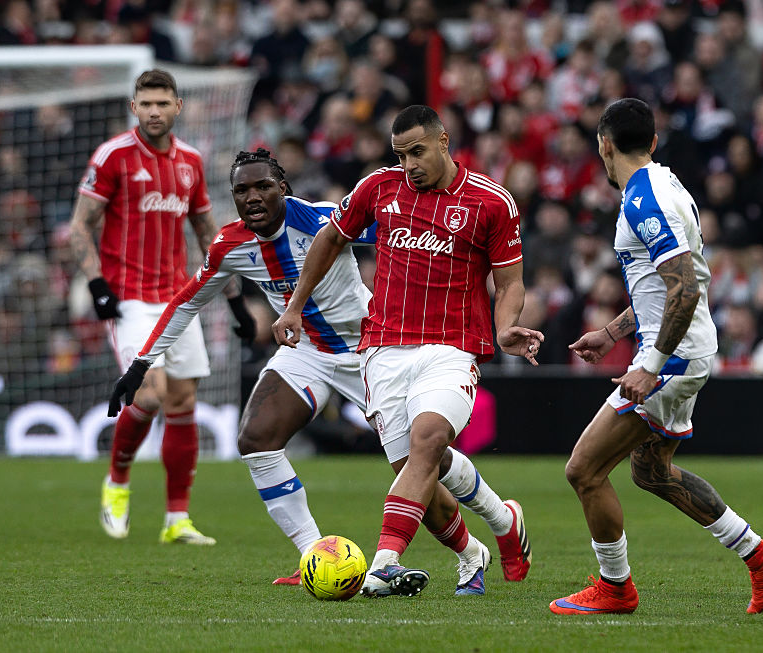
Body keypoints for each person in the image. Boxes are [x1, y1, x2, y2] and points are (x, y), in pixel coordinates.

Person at [109, 148, 534, 589]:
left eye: (263, 187)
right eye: (242, 190)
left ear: (283, 189)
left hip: (372, 347)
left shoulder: (324, 219)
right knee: (255, 438)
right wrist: (141, 364)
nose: (252, 197)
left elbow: (406, 234)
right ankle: (316, 555)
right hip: (304, 349)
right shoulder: (229, 245)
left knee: (418, 462)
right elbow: (185, 302)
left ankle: (489, 528)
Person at [272, 105, 544, 597]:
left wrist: (506, 328)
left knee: (429, 439)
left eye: (417, 151)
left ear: (444, 141)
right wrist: (295, 307)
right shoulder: (379, 187)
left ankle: (383, 564)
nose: (409, 164)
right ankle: (488, 537)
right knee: (423, 473)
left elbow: (509, 283)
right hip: (381, 349)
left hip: (452, 346)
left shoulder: (490, 201)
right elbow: (330, 236)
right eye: (400, 155)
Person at [549, 98, 763, 617]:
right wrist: (613, 332)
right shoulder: (667, 183)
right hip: (683, 346)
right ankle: (762, 557)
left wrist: (651, 365)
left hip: (674, 356)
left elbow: (682, 288)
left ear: (604, 144)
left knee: (584, 470)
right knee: (651, 472)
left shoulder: (643, 199)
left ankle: (615, 588)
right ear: (654, 142)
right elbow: (667, 289)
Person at [68, 69, 253, 546]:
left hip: (179, 300)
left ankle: (177, 519)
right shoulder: (112, 156)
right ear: (134, 107)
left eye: (162, 103)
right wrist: (95, 284)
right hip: (128, 298)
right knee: (148, 395)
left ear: (178, 107)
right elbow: (79, 226)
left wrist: (234, 301)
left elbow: (209, 237)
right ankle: (118, 480)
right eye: (145, 103)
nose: (154, 111)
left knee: (183, 402)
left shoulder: (191, 161)